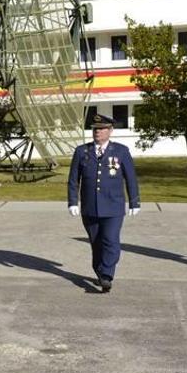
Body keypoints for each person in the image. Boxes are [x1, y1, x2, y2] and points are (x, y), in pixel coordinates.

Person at [67, 114, 140, 293]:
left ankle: (107, 275)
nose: (97, 132)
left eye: (101, 129)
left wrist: (134, 202)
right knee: (96, 242)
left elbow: (130, 178)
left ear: (110, 131)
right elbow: (73, 180)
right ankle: (100, 271)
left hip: (113, 206)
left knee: (111, 240)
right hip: (90, 207)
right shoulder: (81, 151)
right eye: (95, 129)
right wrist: (73, 202)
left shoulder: (121, 151)